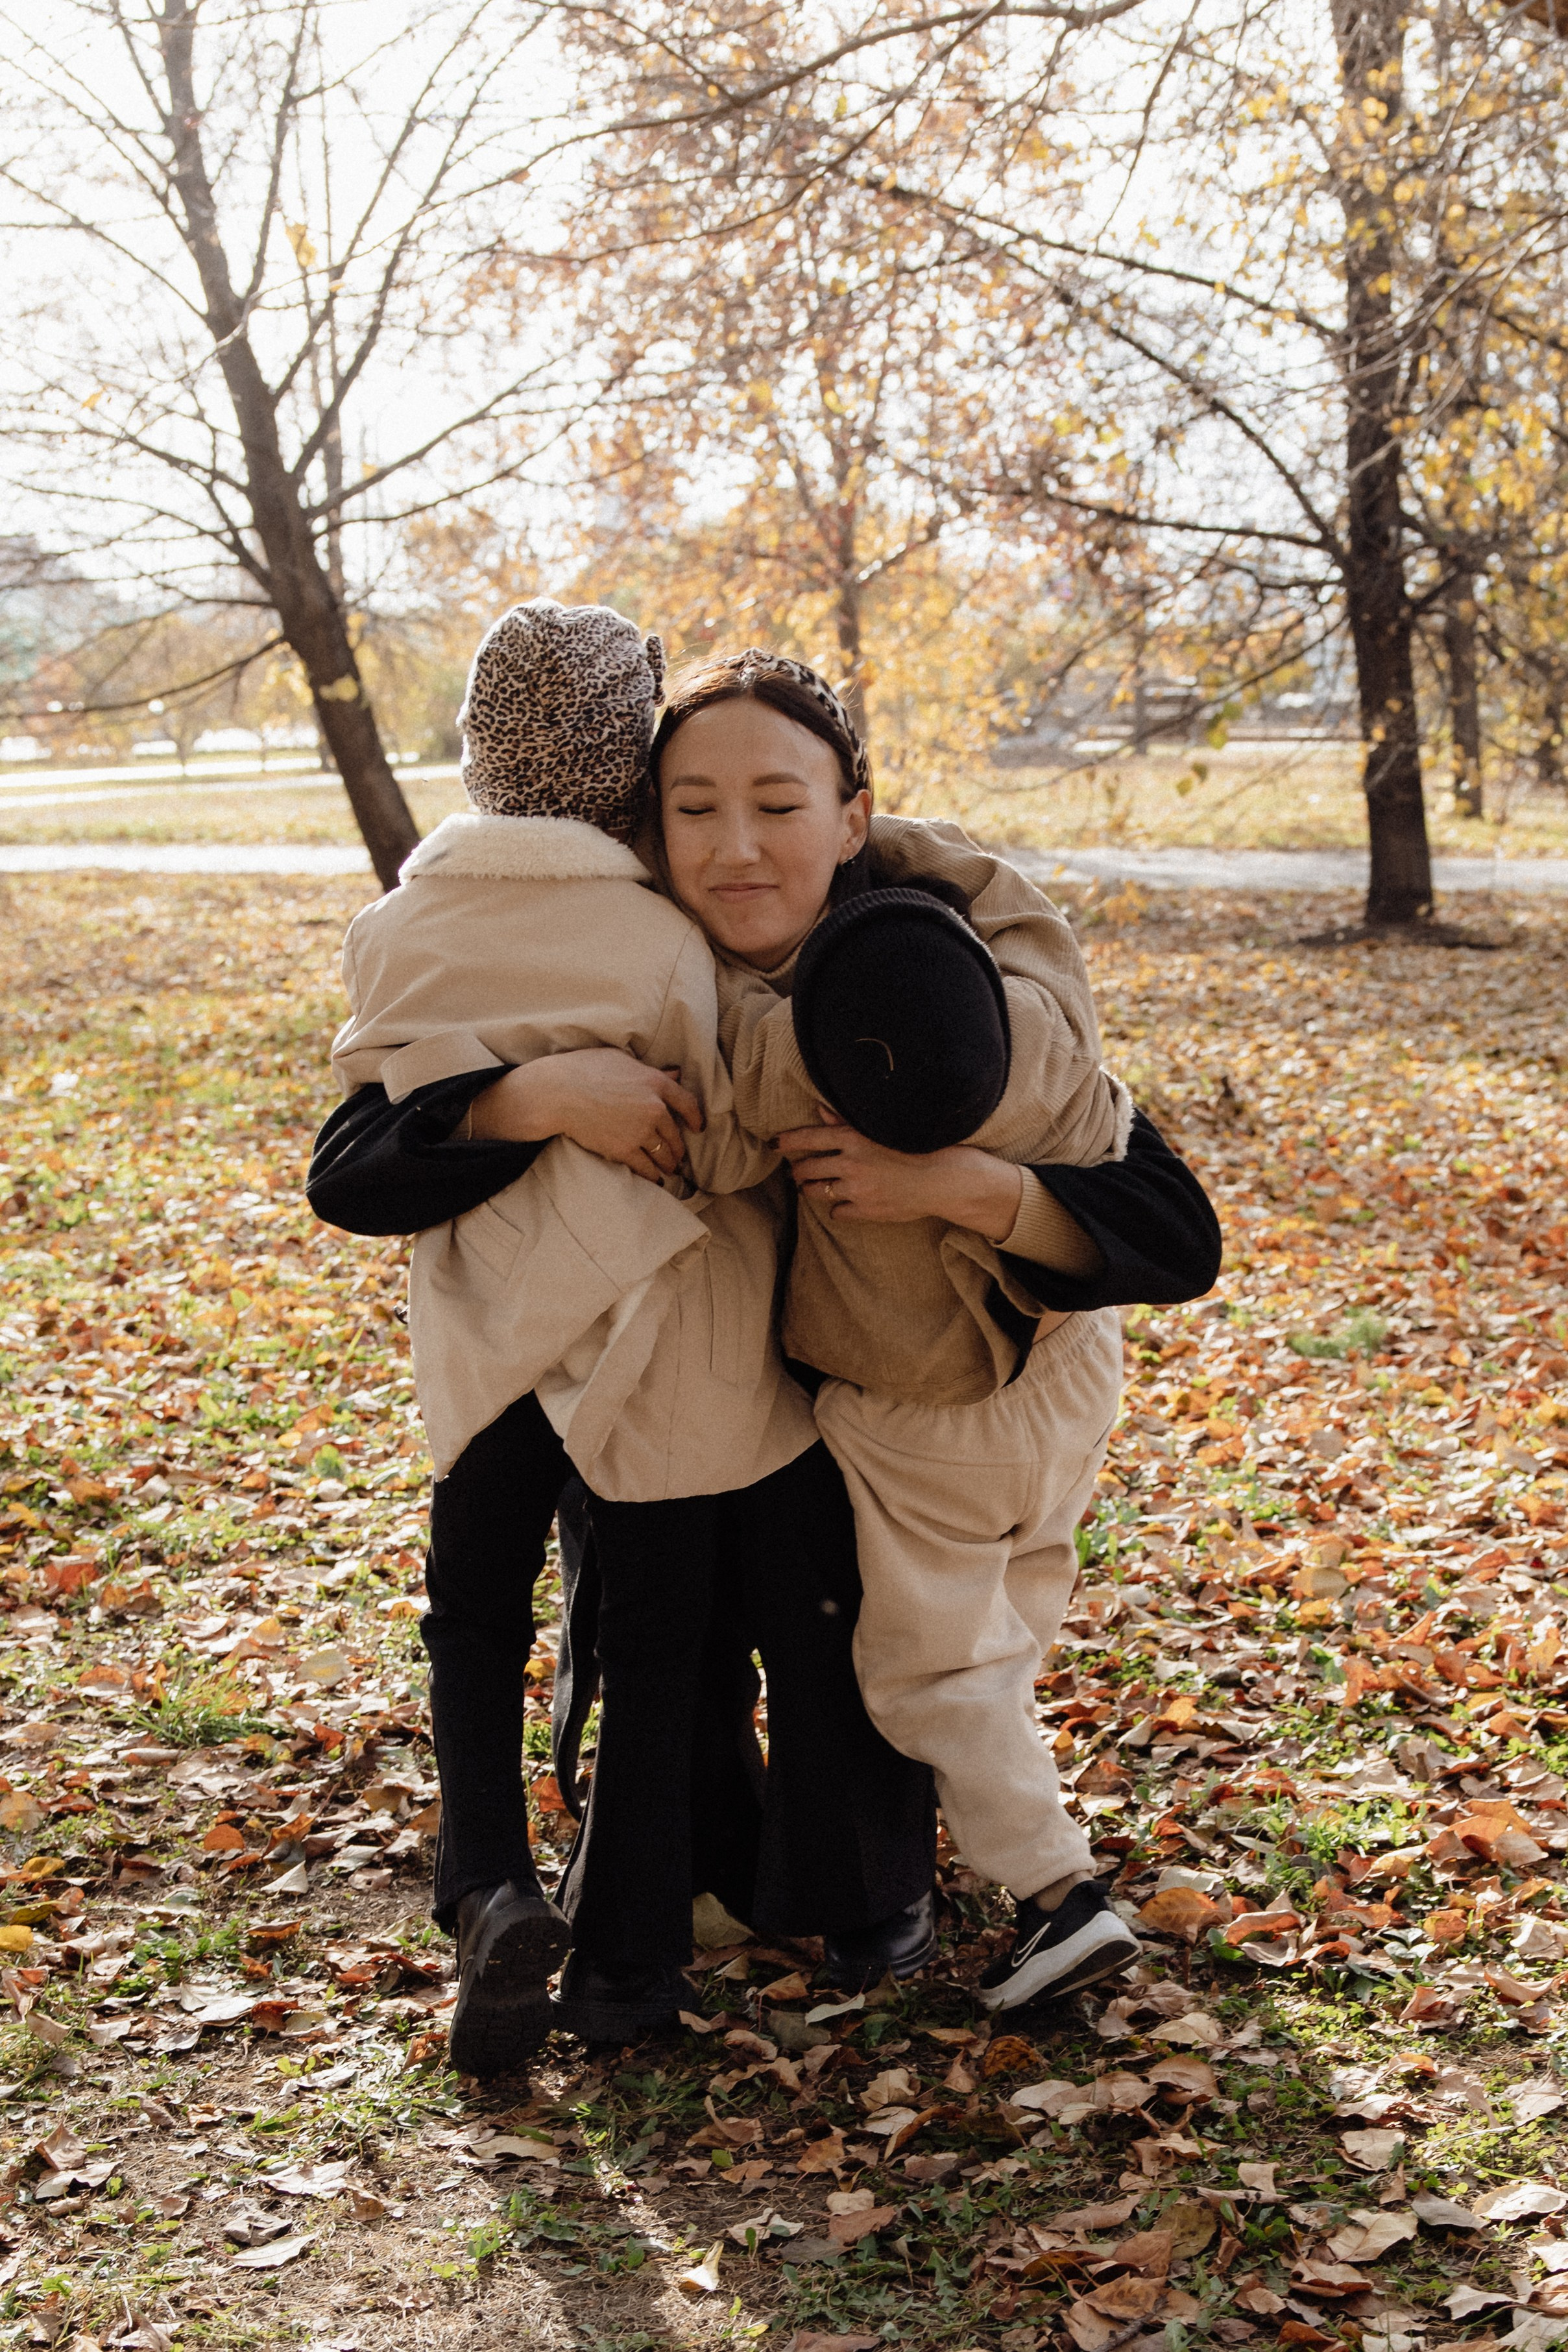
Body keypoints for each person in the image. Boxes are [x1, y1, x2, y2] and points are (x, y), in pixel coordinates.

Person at [309, 640, 1222, 2056]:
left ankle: (867, 1884)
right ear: (635, 828)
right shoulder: (633, 978)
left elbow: (1172, 1227)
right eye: (693, 809)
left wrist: (956, 1185)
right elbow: (359, 1160)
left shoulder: (930, 971)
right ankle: (675, 1888)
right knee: (651, 1545)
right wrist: (533, 1094)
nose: (737, 848)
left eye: (780, 806)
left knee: (849, 1585)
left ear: (852, 815)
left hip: (927, 1395)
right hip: (698, 1384)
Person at [318, 600, 935, 2065]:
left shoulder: (394, 929)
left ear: (473, 746)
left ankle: (483, 1883)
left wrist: (492, 1097)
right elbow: (712, 1136)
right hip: (648, 1338)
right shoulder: (662, 944)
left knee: (472, 1616)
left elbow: (369, 1107)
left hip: (481, 1337)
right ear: (630, 767)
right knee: (655, 1647)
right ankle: (625, 1979)